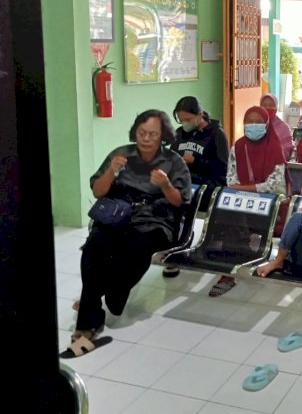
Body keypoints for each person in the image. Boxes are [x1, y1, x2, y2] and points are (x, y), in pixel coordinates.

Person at [65, 110, 191, 356]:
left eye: (152, 134)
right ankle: (88, 323)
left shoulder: (174, 162)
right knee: (93, 250)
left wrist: (165, 185)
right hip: (116, 215)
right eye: (142, 133)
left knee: (135, 249)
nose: (146, 138)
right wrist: (111, 171)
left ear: (162, 136)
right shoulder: (121, 153)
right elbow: (99, 191)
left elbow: (179, 202)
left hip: (154, 221)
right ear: (135, 132)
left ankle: (112, 292)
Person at [210, 105, 290, 297]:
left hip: (269, 202)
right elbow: (231, 179)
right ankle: (228, 267)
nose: (253, 125)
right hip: (243, 202)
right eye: (249, 121)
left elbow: (276, 185)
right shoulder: (238, 146)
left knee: (235, 218)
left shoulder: (274, 147)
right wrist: (243, 191)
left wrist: (247, 190)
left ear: (267, 124)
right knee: (228, 213)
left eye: (258, 122)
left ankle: (236, 260)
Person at [164, 96, 230, 278]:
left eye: (187, 119)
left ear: (199, 115)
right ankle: (172, 246)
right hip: (185, 182)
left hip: (208, 184)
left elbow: (222, 168)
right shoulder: (180, 134)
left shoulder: (216, 134)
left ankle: (183, 244)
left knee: (182, 200)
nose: (184, 123)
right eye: (181, 119)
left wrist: (196, 161)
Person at [260, 93, 294, 160]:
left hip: (277, 166)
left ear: (276, 108)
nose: (267, 108)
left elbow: (287, 154)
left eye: (271, 105)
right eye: (264, 105)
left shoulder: (284, 127)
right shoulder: (256, 125)